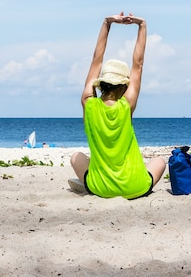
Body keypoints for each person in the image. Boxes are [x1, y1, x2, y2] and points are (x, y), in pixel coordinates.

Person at [70, 12, 166, 199]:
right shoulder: (126, 105)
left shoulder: (88, 103)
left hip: (101, 189)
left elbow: (96, 60)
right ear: (124, 85)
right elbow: (138, 64)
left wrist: (107, 22)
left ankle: (89, 183)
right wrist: (142, 25)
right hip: (134, 187)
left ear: (101, 82)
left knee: (76, 157)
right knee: (159, 161)